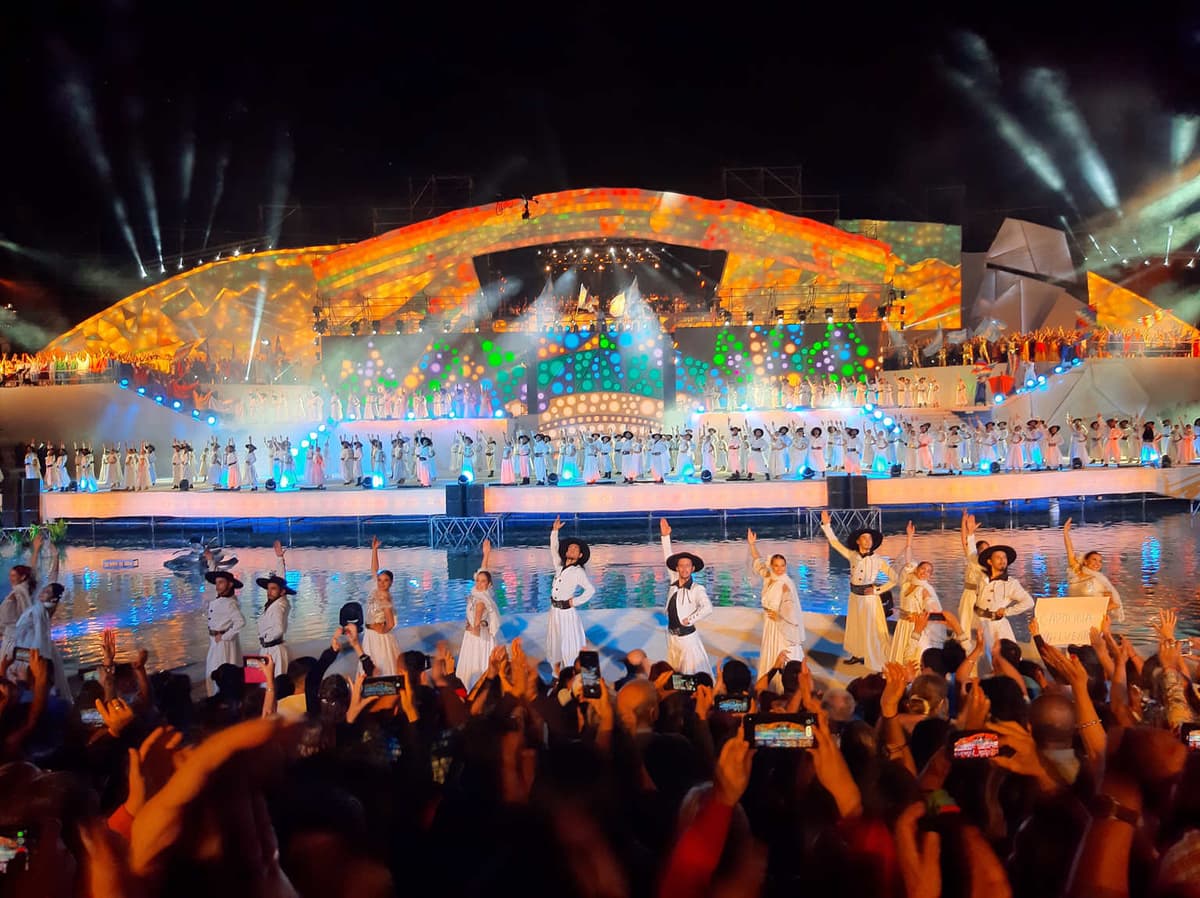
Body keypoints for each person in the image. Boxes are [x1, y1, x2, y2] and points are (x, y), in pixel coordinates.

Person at [819, 510, 896, 669]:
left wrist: (877, 590)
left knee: (872, 628)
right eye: (864, 538)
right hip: (855, 596)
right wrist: (827, 525)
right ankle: (857, 653)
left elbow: (896, 578)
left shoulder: (878, 560)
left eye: (870, 538)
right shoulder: (852, 555)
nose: (868, 541)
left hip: (869, 599)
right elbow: (835, 543)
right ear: (858, 541)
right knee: (855, 626)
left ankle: (873, 656)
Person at [659, 518, 712, 675]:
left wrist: (690, 619)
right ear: (677, 568)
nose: (684, 568)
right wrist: (665, 537)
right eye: (681, 566)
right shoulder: (674, 581)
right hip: (672, 637)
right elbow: (667, 556)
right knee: (676, 671)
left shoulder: (697, 589)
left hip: (687, 638)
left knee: (691, 673)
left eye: (687, 566)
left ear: (692, 568)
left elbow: (707, 608)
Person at [747, 528, 804, 674]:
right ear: (772, 566)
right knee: (770, 649)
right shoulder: (768, 577)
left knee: (781, 650)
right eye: (777, 565)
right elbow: (758, 561)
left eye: (782, 565)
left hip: (780, 624)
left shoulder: (786, 584)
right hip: (769, 621)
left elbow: (791, 610)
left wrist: (780, 619)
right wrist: (752, 545)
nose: (780, 569)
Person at [973, 542, 1035, 665]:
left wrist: (1007, 611)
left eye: (1004, 558)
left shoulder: (1010, 583)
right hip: (979, 622)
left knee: (1005, 658)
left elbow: (1028, 602)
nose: (1003, 560)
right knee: (982, 659)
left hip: (997, 626)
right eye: (998, 557)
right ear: (990, 562)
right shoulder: (982, 578)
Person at [547, 516, 594, 672]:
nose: (572, 550)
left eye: (576, 549)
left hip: (566, 612)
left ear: (580, 555)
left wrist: (575, 602)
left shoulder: (578, 571)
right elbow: (554, 550)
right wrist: (554, 531)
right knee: (554, 644)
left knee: (570, 644)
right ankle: (556, 676)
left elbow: (590, 590)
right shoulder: (560, 567)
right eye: (570, 548)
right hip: (554, 611)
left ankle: (573, 674)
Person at [457, 538, 501, 690]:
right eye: (478, 580)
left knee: (475, 660)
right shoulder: (481, 593)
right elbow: (484, 571)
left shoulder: (481, 600)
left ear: (488, 585)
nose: (479, 583)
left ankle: (474, 686)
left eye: (483, 581)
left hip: (477, 636)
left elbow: (476, 625)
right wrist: (486, 555)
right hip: (479, 634)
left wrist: (472, 626)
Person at [1063, 518, 1124, 621]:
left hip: (1092, 621)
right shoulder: (1076, 572)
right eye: (1094, 560)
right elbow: (1070, 551)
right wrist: (1065, 533)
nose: (1097, 563)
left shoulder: (1101, 581)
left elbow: (1114, 604)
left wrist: (1093, 612)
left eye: (1100, 561)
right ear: (1086, 561)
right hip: (1074, 618)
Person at [202, 560, 246, 696]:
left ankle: (222, 698)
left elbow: (240, 622)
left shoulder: (230, 603)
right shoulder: (219, 599)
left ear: (230, 584)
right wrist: (210, 561)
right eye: (217, 582)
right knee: (212, 670)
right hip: (215, 641)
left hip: (223, 644)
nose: (217, 586)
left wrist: (225, 636)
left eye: (221, 582)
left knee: (221, 672)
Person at [254, 540, 294, 674]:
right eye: (268, 589)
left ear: (282, 592)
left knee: (275, 683)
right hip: (267, 648)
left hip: (274, 649)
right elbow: (280, 580)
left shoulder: (279, 605)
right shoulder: (274, 604)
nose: (269, 591)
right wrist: (279, 559)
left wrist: (266, 637)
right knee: (266, 683)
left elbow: (279, 628)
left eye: (273, 589)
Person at [363, 536, 400, 674]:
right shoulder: (376, 589)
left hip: (378, 636)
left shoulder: (385, 597)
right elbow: (374, 570)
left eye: (385, 580)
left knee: (381, 665)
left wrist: (381, 631)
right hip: (370, 634)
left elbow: (390, 623)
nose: (381, 582)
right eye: (379, 580)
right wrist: (374, 550)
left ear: (391, 582)